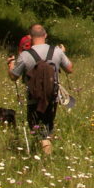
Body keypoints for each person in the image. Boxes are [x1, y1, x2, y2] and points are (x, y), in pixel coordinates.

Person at [7, 24, 73, 155]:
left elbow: (14, 76)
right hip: (52, 97)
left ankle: (45, 157)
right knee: (47, 128)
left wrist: (10, 64)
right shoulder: (57, 51)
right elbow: (70, 69)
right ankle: (46, 153)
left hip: (34, 98)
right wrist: (62, 53)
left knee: (39, 131)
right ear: (45, 35)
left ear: (30, 37)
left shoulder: (25, 55)